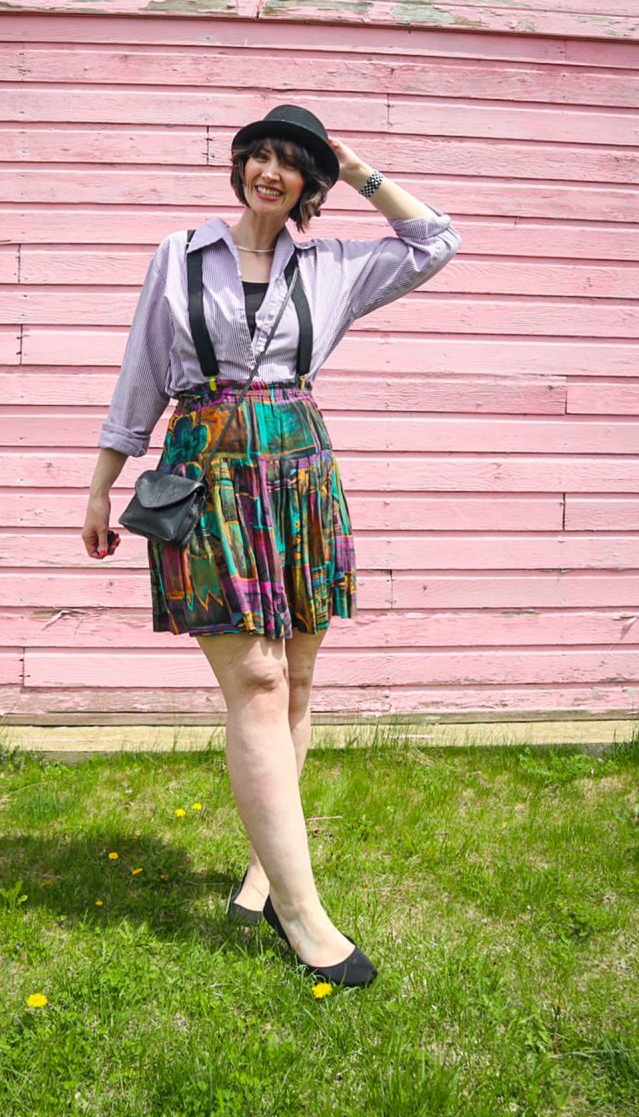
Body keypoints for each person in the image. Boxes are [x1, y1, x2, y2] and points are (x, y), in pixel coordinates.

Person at [81, 105, 462, 986]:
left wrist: (357, 169)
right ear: (241, 164)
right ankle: (303, 914)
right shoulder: (179, 256)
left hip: (299, 472)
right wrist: (102, 483)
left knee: (295, 679)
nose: (271, 171)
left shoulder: (334, 267)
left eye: (293, 162)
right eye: (261, 154)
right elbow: (140, 373)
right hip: (207, 473)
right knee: (254, 680)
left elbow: (436, 240)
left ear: (308, 184)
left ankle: (263, 873)